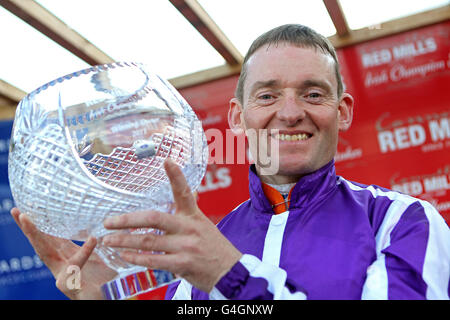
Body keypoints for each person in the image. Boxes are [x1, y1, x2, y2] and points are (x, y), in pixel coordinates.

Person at [11, 24, 450, 300]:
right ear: (238, 118)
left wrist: (231, 277)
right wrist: (90, 297)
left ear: (344, 110)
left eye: (313, 93)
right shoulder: (203, 246)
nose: (291, 112)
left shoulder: (403, 222)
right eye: (267, 95)